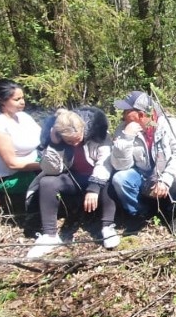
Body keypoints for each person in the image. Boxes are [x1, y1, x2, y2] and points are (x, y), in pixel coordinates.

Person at [27, 107, 118, 258]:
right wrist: (55, 145)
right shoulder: (57, 140)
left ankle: (107, 226)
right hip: (73, 178)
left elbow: (104, 164)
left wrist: (94, 188)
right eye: (69, 141)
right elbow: (51, 170)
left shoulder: (99, 135)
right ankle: (50, 235)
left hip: (97, 177)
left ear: (83, 129)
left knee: (108, 181)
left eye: (77, 139)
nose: (74, 144)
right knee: (47, 182)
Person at [110, 91, 176, 234]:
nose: (122, 115)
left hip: (165, 173)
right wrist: (127, 138)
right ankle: (140, 214)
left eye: (126, 111)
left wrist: (165, 179)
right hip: (142, 174)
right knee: (119, 179)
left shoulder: (169, 125)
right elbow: (120, 166)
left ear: (141, 115)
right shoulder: (123, 129)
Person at [0, 79, 41, 194]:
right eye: (17, 99)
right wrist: (44, 166)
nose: (22, 102)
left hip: (34, 165)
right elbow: (12, 164)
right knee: (51, 182)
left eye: (23, 98)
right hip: (11, 178)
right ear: (1, 101)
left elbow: (43, 137)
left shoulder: (23, 116)